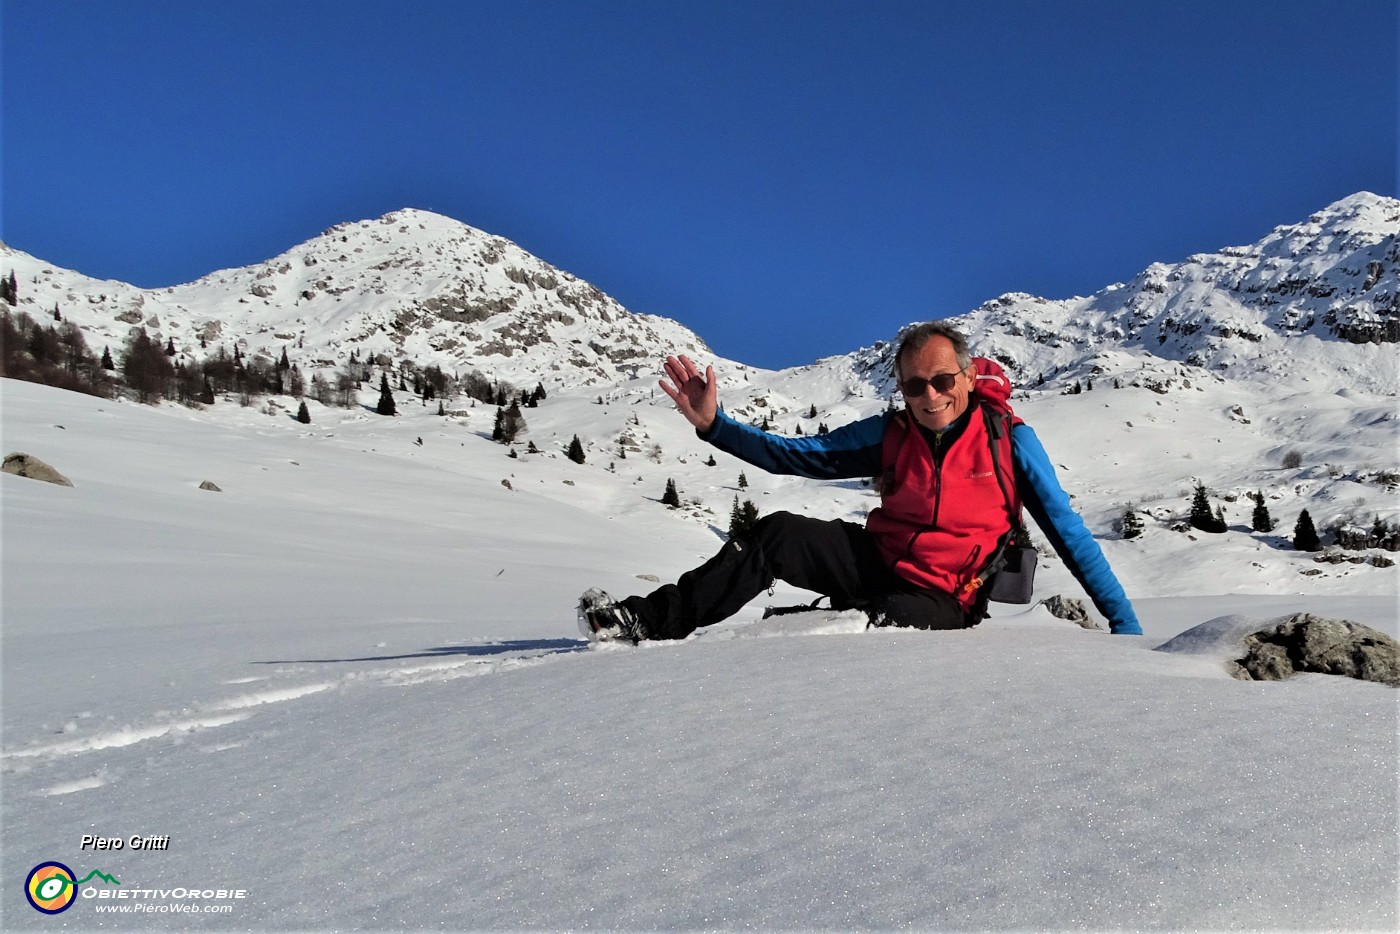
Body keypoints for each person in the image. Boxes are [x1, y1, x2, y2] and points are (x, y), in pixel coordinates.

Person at [578, 321, 1141, 642]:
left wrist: (1125, 624)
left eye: (942, 380)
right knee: (775, 535)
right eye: (914, 387)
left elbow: (1069, 534)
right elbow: (798, 456)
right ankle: (645, 622)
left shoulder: (1009, 442)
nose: (930, 397)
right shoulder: (891, 433)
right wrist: (716, 428)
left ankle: (809, 627)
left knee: (871, 627)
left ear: (968, 376)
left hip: (944, 598)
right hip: (878, 559)